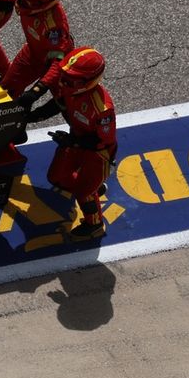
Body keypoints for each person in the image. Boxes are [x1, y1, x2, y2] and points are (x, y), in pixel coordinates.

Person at [16, 47, 116, 240]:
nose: (64, 81)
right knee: (56, 178)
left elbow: (102, 141)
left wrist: (72, 142)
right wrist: (30, 117)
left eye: (72, 79)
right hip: (74, 140)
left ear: (89, 81)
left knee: (83, 191)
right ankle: (95, 188)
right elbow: (58, 104)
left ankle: (94, 225)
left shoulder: (102, 109)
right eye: (65, 75)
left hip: (96, 153)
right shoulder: (69, 87)